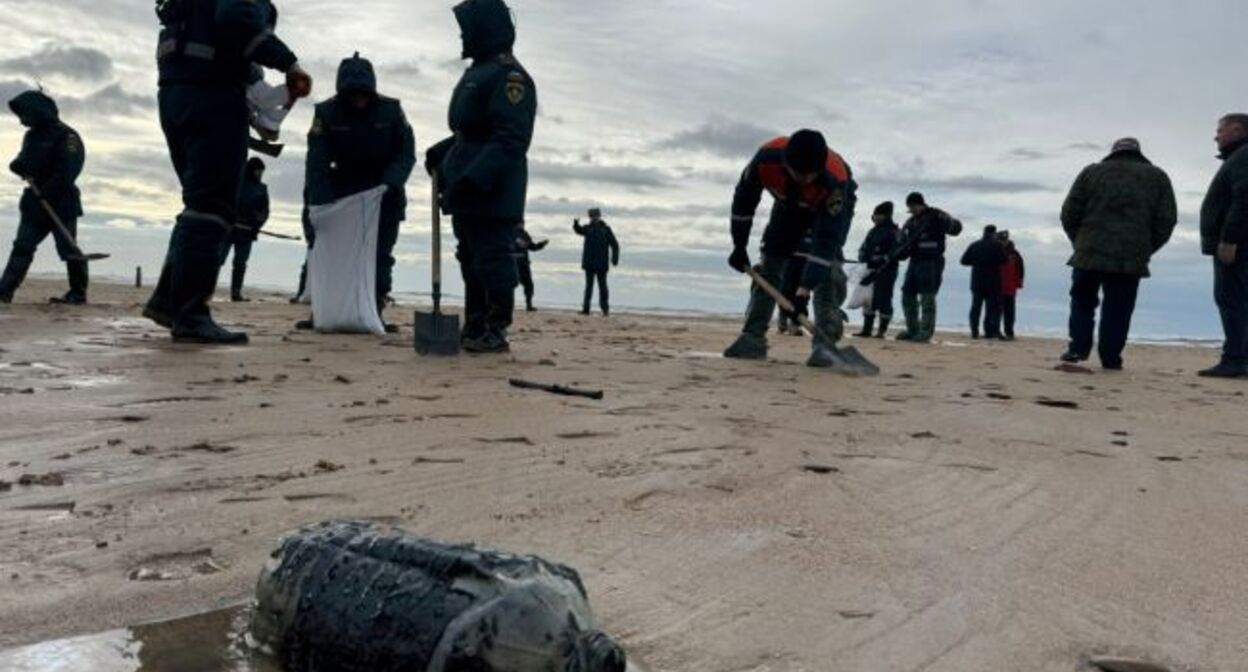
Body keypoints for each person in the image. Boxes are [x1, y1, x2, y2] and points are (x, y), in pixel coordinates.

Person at [145, 0, 311, 344]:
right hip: (212, 99)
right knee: (212, 208)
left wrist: (264, 98)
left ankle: (168, 303)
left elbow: (227, 42)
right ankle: (191, 315)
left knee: (198, 204)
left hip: (177, 95)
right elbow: (238, 21)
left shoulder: (192, 14)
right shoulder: (232, 14)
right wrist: (290, 64)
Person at [425, 0, 537, 354]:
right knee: (469, 256)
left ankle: (495, 326)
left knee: (492, 257)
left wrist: (475, 178)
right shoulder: (479, 71)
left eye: (467, 28)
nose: (463, 35)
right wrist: (443, 153)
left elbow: (510, 137)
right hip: (464, 181)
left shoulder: (509, 76)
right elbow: (471, 131)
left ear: (486, 29)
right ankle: (474, 322)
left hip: (492, 187)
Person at [723, 130, 858, 369]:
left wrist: (803, 290)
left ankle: (825, 343)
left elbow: (825, 241)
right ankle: (752, 337)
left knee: (828, 270)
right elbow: (744, 201)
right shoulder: (765, 161)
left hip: (827, 206)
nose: (806, 179)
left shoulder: (834, 180)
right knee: (771, 262)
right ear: (786, 164)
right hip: (788, 205)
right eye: (800, 174)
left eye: (810, 175)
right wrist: (739, 245)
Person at [304, 52, 416, 331]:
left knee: (380, 255)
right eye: (351, 94)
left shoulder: (391, 111)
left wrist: (390, 182)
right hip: (342, 190)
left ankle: (374, 309)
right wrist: (319, 205)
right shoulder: (326, 113)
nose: (358, 100)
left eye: (362, 94)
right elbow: (316, 161)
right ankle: (323, 309)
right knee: (331, 253)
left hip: (385, 192)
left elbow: (406, 153)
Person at [1060, 138, 1177, 370]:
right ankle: (1111, 357)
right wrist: (1146, 247)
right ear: (1138, 153)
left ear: (1113, 152)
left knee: (1082, 302)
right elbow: (1166, 220)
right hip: (1130, 257)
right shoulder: (1158, 177)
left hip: (1089, 252)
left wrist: (1080, 242)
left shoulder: (1091, 173)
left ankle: (1077, 348)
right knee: (1119, 309)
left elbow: (1069, 213)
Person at [0, 90, 86, 305]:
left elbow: (69, 169)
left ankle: (77, 293)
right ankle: (4, 291)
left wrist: (49, 190)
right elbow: (26, 161)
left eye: (25, 116)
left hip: (62, 203)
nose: (22, 121)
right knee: (22, 246)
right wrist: (18, 165)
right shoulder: (31, 136)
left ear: (38, 111)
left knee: (69, 249)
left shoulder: (67, 136)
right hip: (34, 204)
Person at [1198, 114, 1248, 378]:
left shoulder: (1243, 156)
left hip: (1236, 243)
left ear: (1238, 130)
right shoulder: (1238, 157)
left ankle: (1235, 359)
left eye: (1221, 130)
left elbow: (1244, 197)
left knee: (1231, 299)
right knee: (1237, 299)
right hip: (1239, 241)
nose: (1216, 136)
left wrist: (1230, 239)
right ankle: (1239, 358)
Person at [896, 192, 963, 342]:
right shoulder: (910, 222)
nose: (912, 210)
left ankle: (925, 331)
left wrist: (948, 221)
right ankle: (913, 329)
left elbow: (957, 229)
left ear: (921, 204)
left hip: (931, 261)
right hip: (914, 261)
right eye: (909, 208)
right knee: (907, 295)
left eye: (913, 207)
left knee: (927, 297)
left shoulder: (936, 216)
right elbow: (902, 244)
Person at [219, 157, 269, 302]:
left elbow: (264, 211)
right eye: (258, 171)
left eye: (261, 172)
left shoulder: (262, 189)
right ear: (251, 170)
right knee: (218, 260)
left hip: (247, 232)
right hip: (229, 229)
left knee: (240, 263)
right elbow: (227, 201)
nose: (260, 174)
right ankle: (205, 289)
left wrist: (256, 224)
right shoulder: (236, 182)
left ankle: (236, 293)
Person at [855, 201, 901, 338]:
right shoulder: (872, 231)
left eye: (878, 215)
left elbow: (896, 251)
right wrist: (863, 257)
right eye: (875, 214)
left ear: (886, 215)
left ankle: (881, 331)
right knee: (868, 299)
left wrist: (883, 259)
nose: (875, 217)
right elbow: (863, 248)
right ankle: (866, 330)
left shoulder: (895, 231)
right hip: (869, 268)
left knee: (884, 299)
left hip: (887, 270)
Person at [960, 224, 1007, 339]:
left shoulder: (975, 245)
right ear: (994, 233)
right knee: (990, 308)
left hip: (977, 280)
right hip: (993, 281)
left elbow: (963, 261)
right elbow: (1004, 261)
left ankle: (974, 331)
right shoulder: (997, 245)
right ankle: (988, 332)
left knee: (976, 307)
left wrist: (976, 262)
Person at [573, 208, 620, 316]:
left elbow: (615, 245)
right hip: (589, 263)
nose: (594, 218)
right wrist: (575, 224)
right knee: (589, 287)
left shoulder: (606, 229)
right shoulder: (587, 228)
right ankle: (586, 309)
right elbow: (579, 230)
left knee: (603, 287)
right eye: (592, 216)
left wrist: (615, 258)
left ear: (599, 216)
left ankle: (605, 309)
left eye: (596, 216)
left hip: (602, 263)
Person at [776, 232, 812, 336]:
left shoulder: (815, 231)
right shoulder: (793, 229)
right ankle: (782, 324)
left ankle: (795, 325)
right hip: (790, 264)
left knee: (802, 297)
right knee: (785, 293)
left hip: (806, 266)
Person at [512, 224, 548, 312]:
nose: (522, 224)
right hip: (517, 263)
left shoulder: (522, 234)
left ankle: (528, 305)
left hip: (520, 263)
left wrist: (541, 245)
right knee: (525, 285)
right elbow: (532, 247)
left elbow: (532, 247)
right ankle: (528, 305)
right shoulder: (512, 233)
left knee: (526, 285)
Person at [998, 231, 1025, 340]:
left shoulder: (1015, 254)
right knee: (997, 311)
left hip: (1010, 287)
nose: (1003, 242)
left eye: (1004, 240)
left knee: (1009, 312)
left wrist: (1019, 282)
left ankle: (1009, 332)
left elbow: (1021, 270)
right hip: (998, 286)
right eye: (1001, 240)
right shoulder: (996, 252)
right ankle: (996, 331)